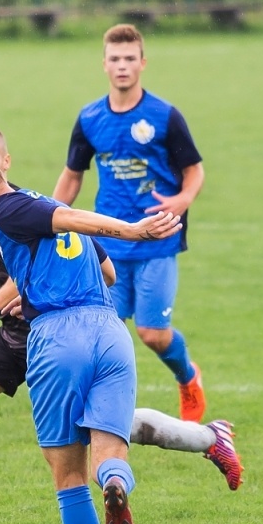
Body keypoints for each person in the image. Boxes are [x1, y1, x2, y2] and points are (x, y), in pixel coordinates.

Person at [0, 126, 243, 524]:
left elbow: (52, 246)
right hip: (23, 333)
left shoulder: (17, 210)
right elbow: (13, 267)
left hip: (53, 336)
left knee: (106, 428)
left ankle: (207, 439)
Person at [0, 154, 181, 524]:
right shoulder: (41, 205)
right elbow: (107, 272)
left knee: (68, 476)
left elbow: (71, 216)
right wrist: (31, 285)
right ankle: (114, 484)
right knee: (109, 453)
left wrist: (132, 230)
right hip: (110, 332)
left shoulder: (7, 208)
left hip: (58, 338)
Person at [52, 25, 209, 422]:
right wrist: (49, 217)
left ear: (142, 63)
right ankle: (103, 411)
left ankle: (188, 377)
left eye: (129, 58)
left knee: (152, 335)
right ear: (104, 65)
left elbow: (194, 170)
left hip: (158, 238)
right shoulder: (89, 118)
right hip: (107, 241)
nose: (122, 66)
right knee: (105, 332)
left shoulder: (164, 116)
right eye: (115, 59)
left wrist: (183, 199)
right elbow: (73, 175)